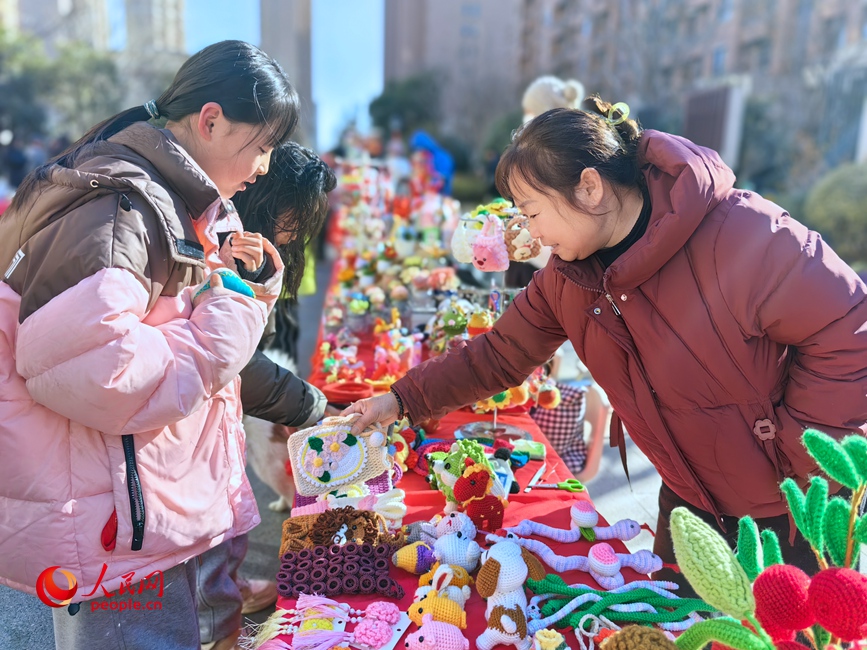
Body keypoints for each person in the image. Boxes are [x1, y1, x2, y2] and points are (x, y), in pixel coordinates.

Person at [346, 98, 867, 589]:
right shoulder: (567, 278)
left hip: (796, 511)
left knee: (790, 634)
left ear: (590, 188)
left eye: (532, 211)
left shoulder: (741, 232)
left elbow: (849, 329)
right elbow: (498, 354)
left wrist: (799, 455)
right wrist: (400, 399)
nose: (529, 231)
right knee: (675, 627)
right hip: (689, 501)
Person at [0, 40, 298, 650]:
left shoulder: (164, 200)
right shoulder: (121, 209)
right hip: (121, 528)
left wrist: (240, 287)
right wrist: (234, 304)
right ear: (211, 120)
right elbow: (103, 373)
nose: (265, 166)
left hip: (145, 509)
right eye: (263, 145)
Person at [197, 142, 337, 650]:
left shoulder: (249, 244)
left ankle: (222, 596)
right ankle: (213, 612)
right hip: (192, 414)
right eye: (295, 217)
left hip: (218, 410)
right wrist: (313, 407)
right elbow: (232, 363)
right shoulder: (218, 243)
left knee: (227, 505)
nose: (298, 232)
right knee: (206, 515)